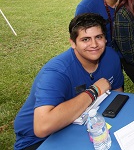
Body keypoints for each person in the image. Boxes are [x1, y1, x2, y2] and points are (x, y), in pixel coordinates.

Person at [14, 13, 124, 150]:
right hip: (38, 141)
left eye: (98, 37)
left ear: (105, 39)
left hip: (84, 126)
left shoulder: (111, 57)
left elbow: (118, 95)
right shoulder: (56, 73)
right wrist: (94, 91)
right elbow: (42, 127)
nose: (94, 44)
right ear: (72, 43)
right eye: (85, 39)